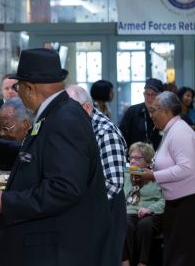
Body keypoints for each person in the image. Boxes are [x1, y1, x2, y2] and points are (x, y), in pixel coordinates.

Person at [0, 48, 113, 265]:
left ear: (30, 88)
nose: (18, 93)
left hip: (59, 248)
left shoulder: (64, 119)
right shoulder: (60, 112)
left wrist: (8, 202)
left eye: (18, 87)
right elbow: (42, 155)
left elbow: (65, 188)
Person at [134, 91, 195, 266]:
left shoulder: (180, 131)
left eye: (153, 111)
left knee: (186, 256)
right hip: (179, 203)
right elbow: (169, 163)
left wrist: (152, 175)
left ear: (166, 111)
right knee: (177, 254)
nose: (151, 116)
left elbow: (185, 168)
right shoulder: (171, 130)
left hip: (190, 203)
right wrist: (149, 171)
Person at [66, 85, 127, 265]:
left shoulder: (105, 132)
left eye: (70, 111)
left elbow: (114, 183)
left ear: (86, 108)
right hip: (91, 210)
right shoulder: (82, 125)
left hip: (106, 212)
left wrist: (81, 205)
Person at [122, 142, 164, 266]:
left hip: (150, 212)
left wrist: (150, 209)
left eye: (138, 158)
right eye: (131, 157)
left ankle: (142, 262)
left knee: (145, 225)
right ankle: (125, 261)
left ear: (148, 161)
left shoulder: (156, 176)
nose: (133, 161)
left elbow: (165, 200)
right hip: (129, 211)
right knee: (124, 222)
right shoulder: (126, 174)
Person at [119, 78, 164, 150]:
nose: (149, 98)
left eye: (153, 95)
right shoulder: (132, 111)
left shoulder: (165, 112)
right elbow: (122, 136)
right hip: (136, 157)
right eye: (147, 94)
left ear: (161, 96)